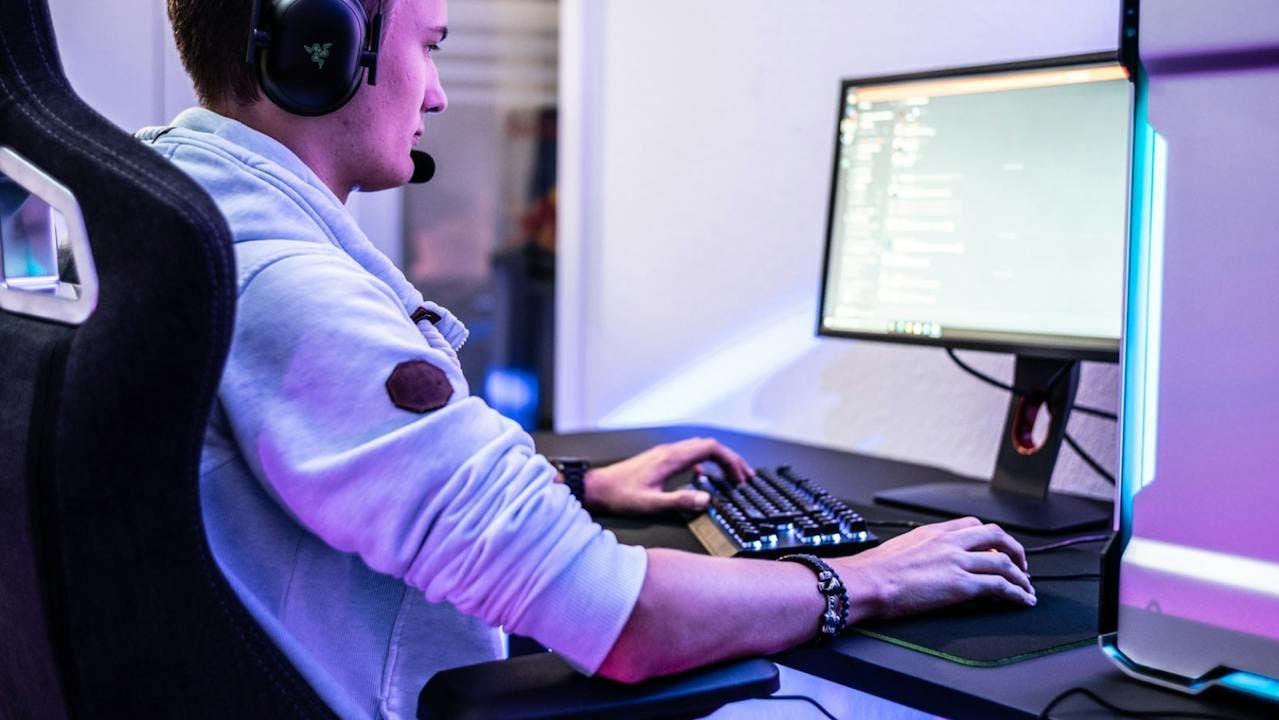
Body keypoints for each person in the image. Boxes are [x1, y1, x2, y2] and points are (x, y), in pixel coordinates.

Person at [152, 0, 1036, 717]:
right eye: (428, 47)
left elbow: (328, 466)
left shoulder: (165, 211)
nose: (437, 96)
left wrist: (581, 488)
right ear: (320, 43)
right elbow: (624, 620)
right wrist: (865, 579)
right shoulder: (288, 284)